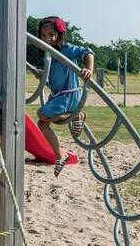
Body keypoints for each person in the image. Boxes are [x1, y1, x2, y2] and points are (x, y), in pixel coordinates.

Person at [36, 16, 94, 177]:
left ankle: (76, 114)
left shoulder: (66, 49)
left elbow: (88, 52)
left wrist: (88, 69)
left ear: (59, 35)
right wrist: (43, 74)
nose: (47, 39)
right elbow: (55, 75)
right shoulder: (48, 54)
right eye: (43, 35)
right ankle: (60, 153)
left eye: (51, 35)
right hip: (59, 96)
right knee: (42, 124)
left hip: (69, 94)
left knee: (41, 114)